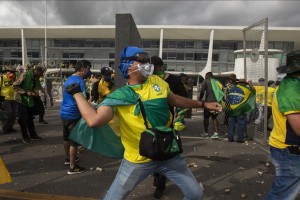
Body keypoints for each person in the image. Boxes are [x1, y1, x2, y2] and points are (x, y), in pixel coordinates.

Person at [65, 46, 222, 200]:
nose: (148, 64)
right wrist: (77, 94)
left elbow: (175, 99)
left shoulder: (157, 82)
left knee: (196, 194)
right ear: (128, 68)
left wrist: (203, 104)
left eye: (147, 60)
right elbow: (93, 120)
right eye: (141, 61)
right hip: (137, 161)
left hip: (168, 154)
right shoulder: (120, 96)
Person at [264, 50, 300, 200]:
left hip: (286, 148)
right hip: (289, 151)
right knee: (282, 195)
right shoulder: (292, 89)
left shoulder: (292, 85)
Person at [151, 55, 188, 199]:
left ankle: (160, 184)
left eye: (155, 68)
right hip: (148, 123)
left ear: (161, 67)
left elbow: (184, 98)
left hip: (167, 124)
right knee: (151, 151)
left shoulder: (173, 80)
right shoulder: (148, 80)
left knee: (163, 153)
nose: (153, 71)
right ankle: (156, 174)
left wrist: (180, 117)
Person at [60, 60, 91, 175]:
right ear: (82, 69)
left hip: (64, 113)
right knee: (75, 141)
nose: (89, 71)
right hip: (73, 114)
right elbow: (81, 100)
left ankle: (68, 159)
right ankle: (73, 167)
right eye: (88, 68)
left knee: (66, 137)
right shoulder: (79, 81)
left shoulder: (69, 79)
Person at [13, 65, 46, 144]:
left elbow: (36, 87)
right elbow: (15, 86)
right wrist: (26, 92)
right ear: (37, 71)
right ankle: (25, 137)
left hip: (29, 100)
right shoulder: (25, 75)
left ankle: (33, 135)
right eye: (41, 73)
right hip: (20, 100)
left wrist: (37, 92)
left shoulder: (35, 77)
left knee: (30, 118)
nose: (41, 75)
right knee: (23, 119)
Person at [226, 75, 255, 143]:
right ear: (245, 84)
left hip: (231, 110)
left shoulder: (232, 88)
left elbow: (228, 97)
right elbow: (254, 91)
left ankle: (230, 138)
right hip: (240, 111)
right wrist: (250, 84)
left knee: (231, 126)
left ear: (238, 83)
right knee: (241, 126)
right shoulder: (247, 90)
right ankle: (239, 139)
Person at [199, 72, 223, 139]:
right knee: (214, 118)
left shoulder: (206, 81)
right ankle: (216, 133)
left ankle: (206, 133)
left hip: (209, 103)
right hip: (217, 103)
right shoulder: (218, 82)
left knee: (206, 117)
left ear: (207, 76)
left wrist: (199, 100)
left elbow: (202, 91)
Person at [0, 65, 18, 134]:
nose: (12, 74)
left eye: (13, 72)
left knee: (14, 114)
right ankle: (5, 128)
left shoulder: (13, 79)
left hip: (13, 99)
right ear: (6, 72)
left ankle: (10, 127)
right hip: (5, 99)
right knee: (9, 114)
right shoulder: (1, 79)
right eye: (10, 72)